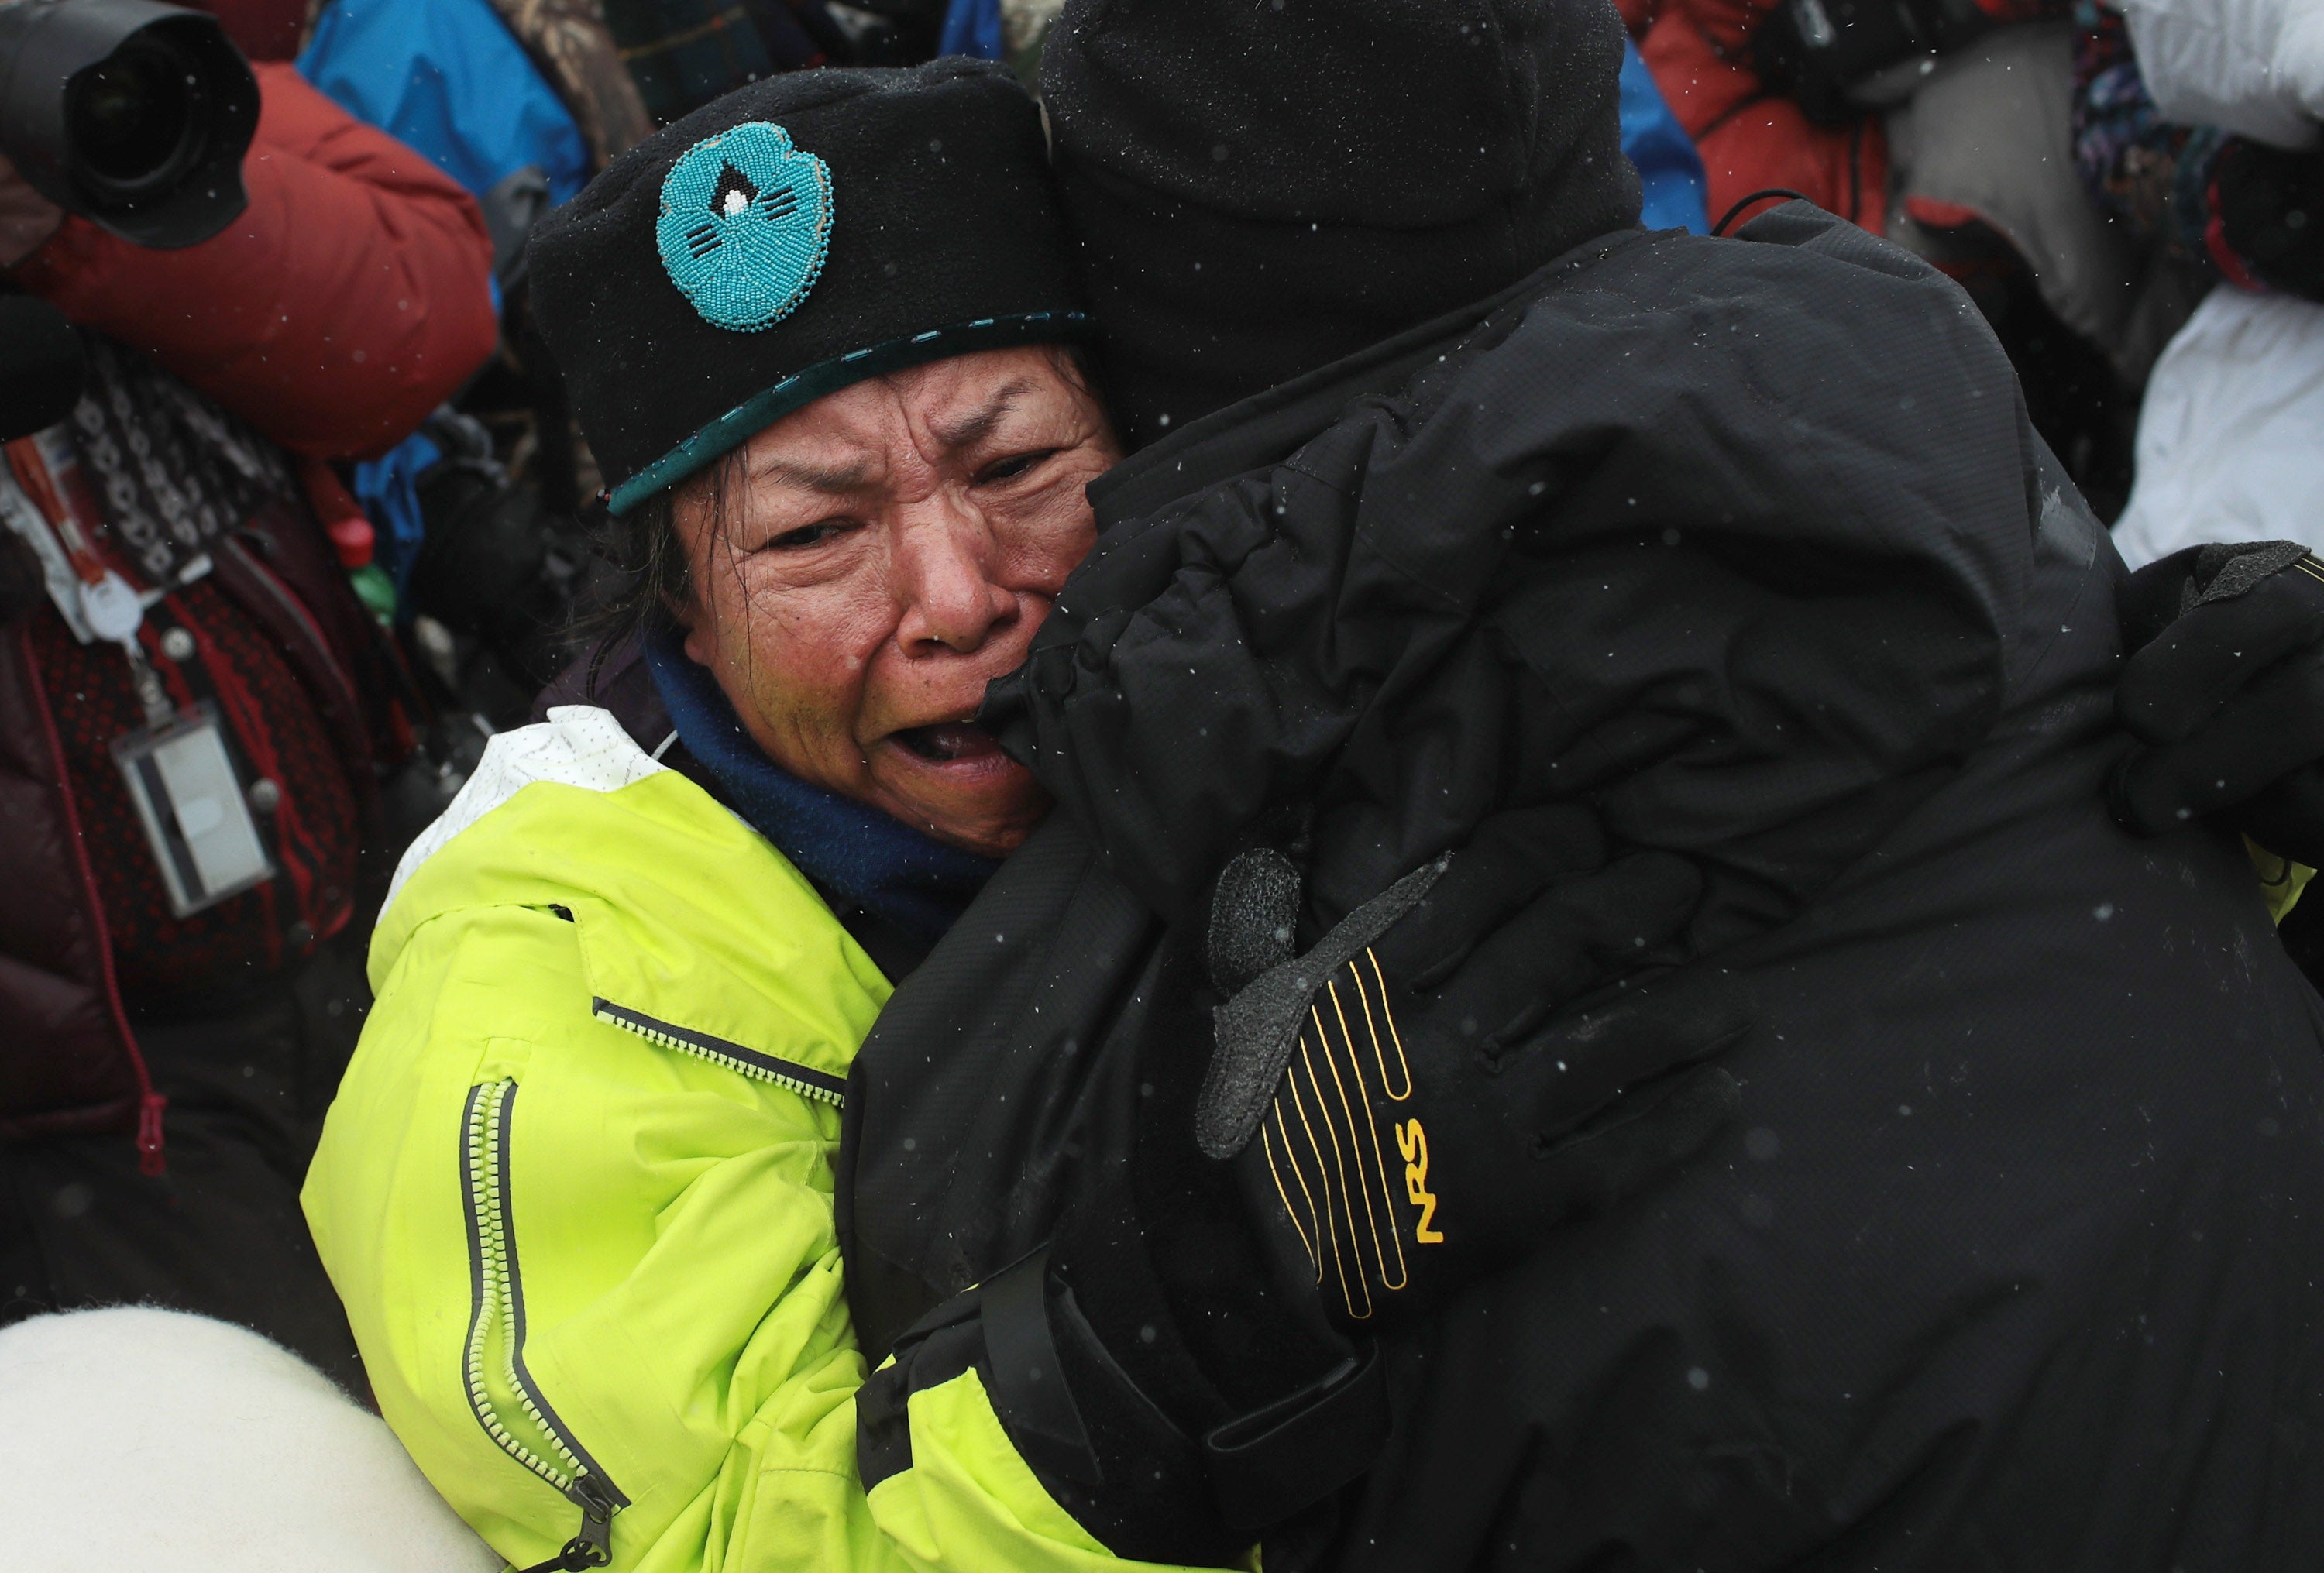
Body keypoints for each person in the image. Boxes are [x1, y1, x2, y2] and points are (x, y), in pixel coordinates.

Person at [308, 12, 2324, 1573]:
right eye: (818, 535)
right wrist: (1160, 1347)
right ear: (670, 605)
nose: (960, 596)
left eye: (1015, 466)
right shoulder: (550, 1008)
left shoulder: (1261, 718)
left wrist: (2189, 792)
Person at [0, 43, 497, 1388]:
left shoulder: (84, 64)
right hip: (103, 1095)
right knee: (287, 1472)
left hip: (372, 910)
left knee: (512, 1377)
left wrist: (79, 211)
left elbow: (427, 309)